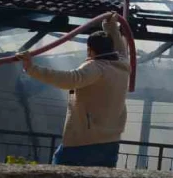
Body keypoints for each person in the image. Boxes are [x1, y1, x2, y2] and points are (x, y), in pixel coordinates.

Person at [18, 13, 130, 167]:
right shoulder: (123, 64)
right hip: (111, 142)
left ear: (90, 50)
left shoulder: (96, 68)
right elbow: (120, 47)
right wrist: (110, 26)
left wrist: (31, 68)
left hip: (83, 142)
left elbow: (69, 79)